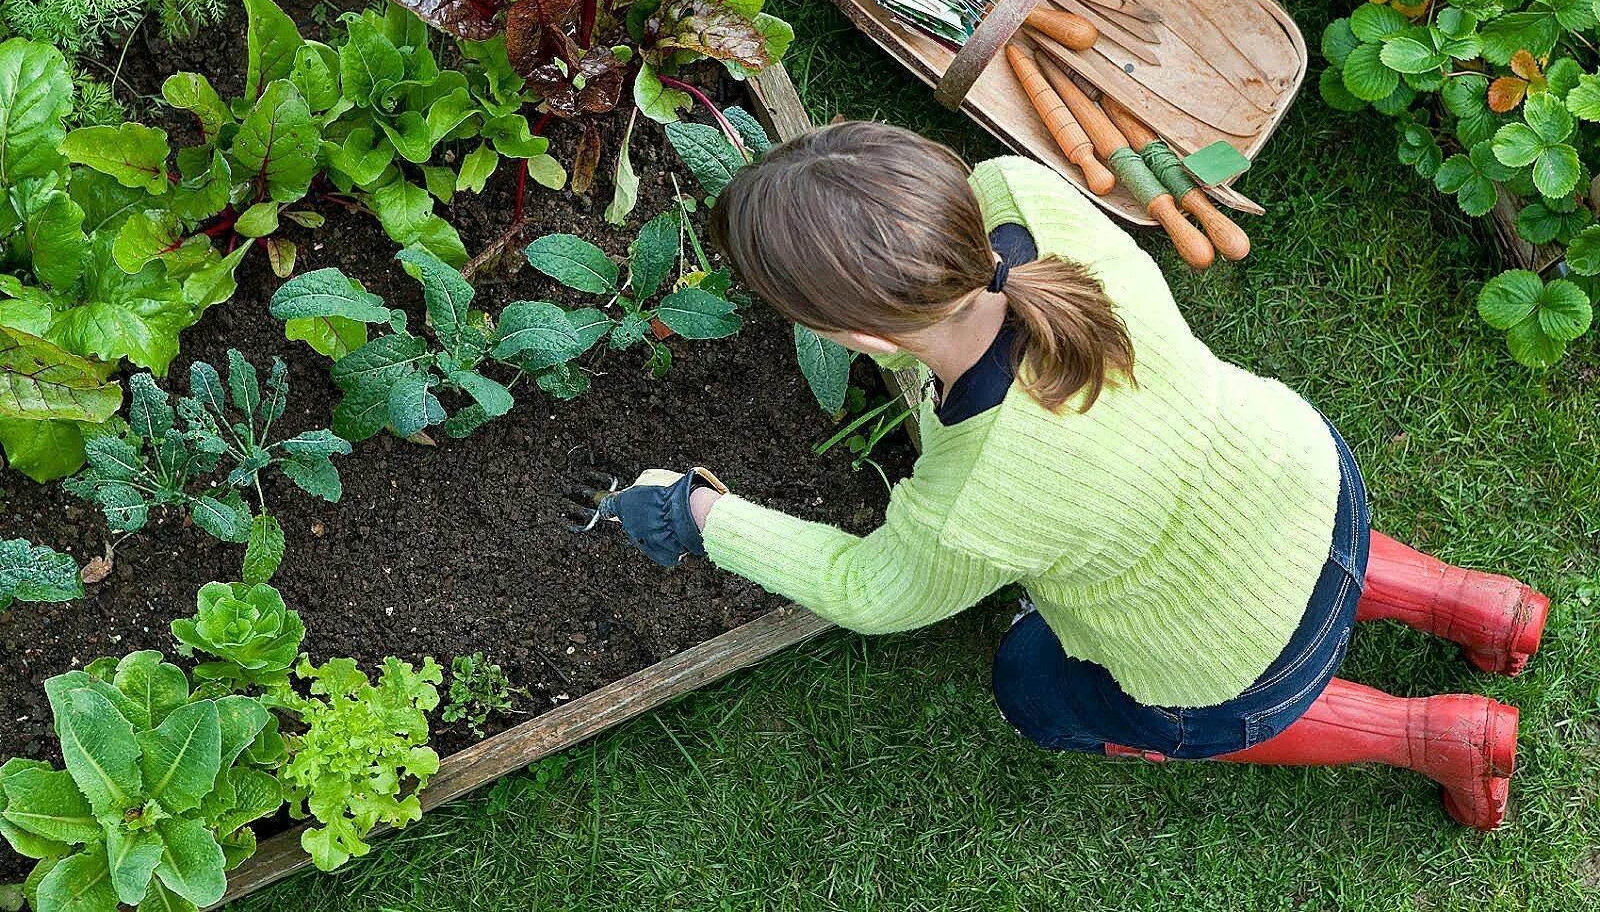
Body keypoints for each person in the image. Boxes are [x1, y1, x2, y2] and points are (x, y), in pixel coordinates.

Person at [594, 121, 1548, 830]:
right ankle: (1475, 604)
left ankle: (1434, 736)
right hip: (1306, 477)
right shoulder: (1024, 196)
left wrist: (702, 514)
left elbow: (868, 591)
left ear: (858, 340)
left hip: (1239, 658)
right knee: (1265, 539)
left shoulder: (974, 499)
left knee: (1035, 687)